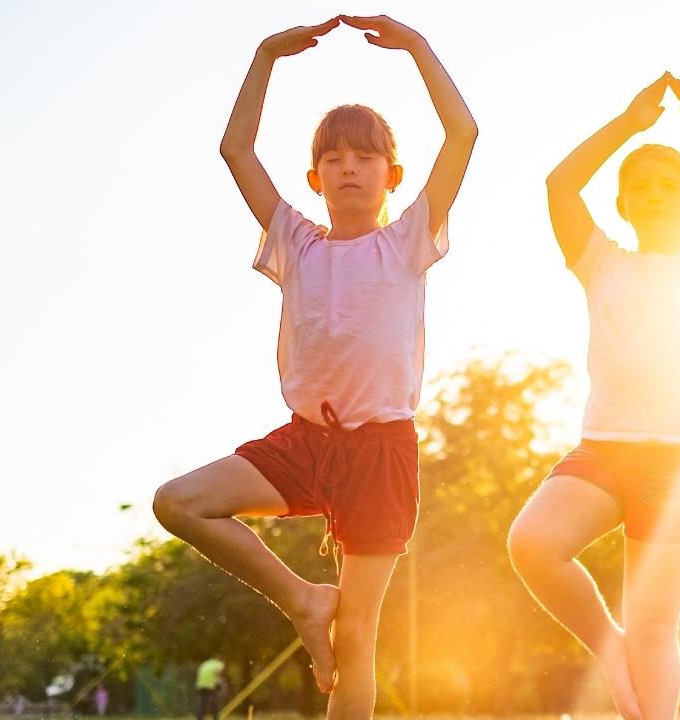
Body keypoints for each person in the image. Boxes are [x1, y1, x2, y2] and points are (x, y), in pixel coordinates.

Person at [151, 12, 476, 720]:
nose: (349, 168)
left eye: (364, 158)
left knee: (356, 640)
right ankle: (301, 597)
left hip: (381, 453)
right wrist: (266, 54)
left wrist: (418, 48)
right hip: (304, 442)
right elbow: (235, 149)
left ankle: (327, 626)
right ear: (314, 176)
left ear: (392, 176)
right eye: (334, 159)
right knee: (177, 501)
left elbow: (464, 135)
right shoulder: (296, 243)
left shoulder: (408, 240)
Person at [508, 72, 680, 720]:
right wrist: (629, 126)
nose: (655, 194)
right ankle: (609, 648)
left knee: (655, 628)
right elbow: (559, 185)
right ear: (624, 206)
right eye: (641, 188)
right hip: (604, 451)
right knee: (532, 543)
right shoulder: (600, 261)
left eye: (668, 186)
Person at [195, 656, 225, 720]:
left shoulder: (205, 663)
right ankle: (215, 718)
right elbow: (217, 673)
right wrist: (220, 683)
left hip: (201, 685)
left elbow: (199, 674)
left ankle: (199, 718)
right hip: (210, 686)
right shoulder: (218, 664)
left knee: (202, 704)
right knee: (214, 703)